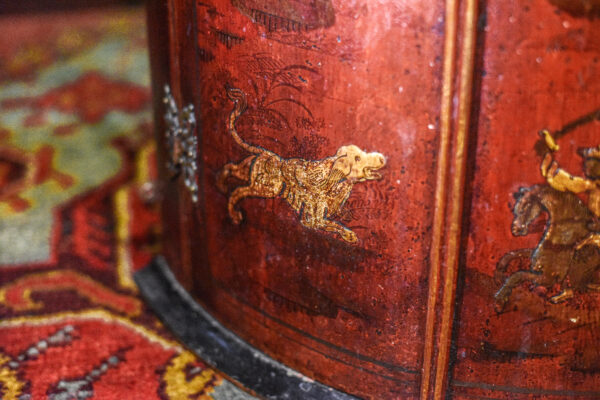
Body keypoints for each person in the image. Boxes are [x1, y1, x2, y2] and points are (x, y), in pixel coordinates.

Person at [541, 143, 600, 250]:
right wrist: (551, 175)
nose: (588, 168)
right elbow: (570, 183)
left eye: (594, 164)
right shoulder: (590, 185)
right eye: (588, 163)